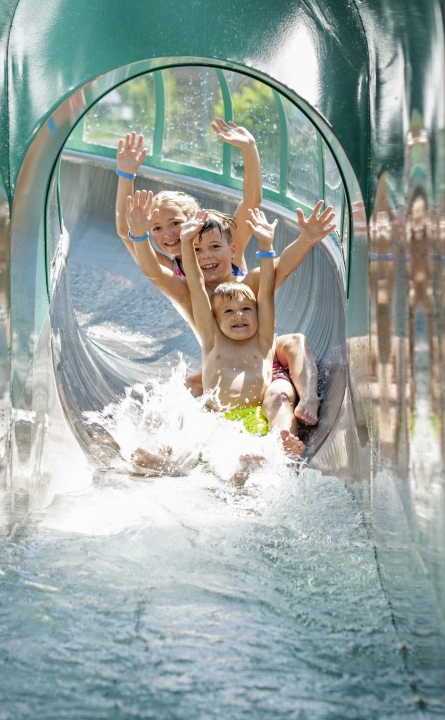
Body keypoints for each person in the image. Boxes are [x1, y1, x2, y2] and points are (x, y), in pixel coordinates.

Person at [113, 124, 335, 427]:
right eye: (157, 229)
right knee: (188, 388)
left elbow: (251, 206)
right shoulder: (184, 285)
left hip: (262, 350)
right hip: (225, 360)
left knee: (292, 341)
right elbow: (130, 238)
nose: (167, 235)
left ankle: (308, 399)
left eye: (174, 224)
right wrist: (126, 178)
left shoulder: (233, 260)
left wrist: (249, 150)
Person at [129, 210, 308, 484]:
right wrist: (179, 241)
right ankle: (172, 458)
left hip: (255, 398)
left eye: (247, 309)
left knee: (278, 402)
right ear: (215, 318)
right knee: (194, 427)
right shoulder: (209, 327)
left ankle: (280, 447)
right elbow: (193, 283)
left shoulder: (253, 302)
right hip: (219, 412)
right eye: (230, 312)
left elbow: (270, 285)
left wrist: (269, 244)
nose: (239, 315)